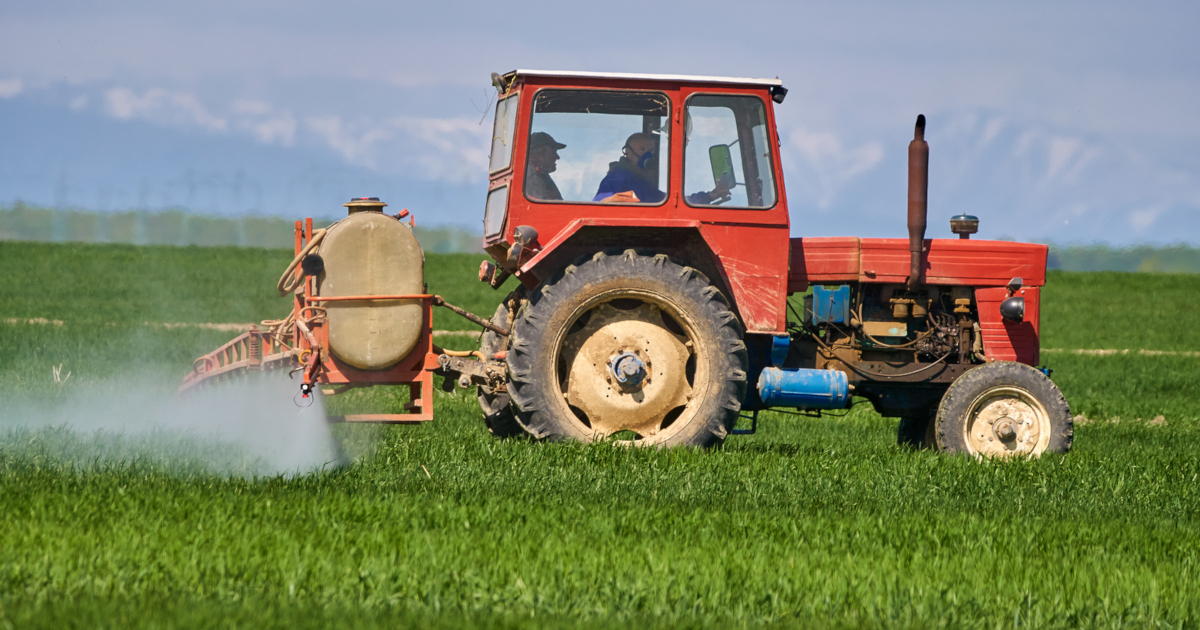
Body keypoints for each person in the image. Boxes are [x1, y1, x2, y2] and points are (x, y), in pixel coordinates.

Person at [593, 132, 729, 204]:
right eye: (642, 149)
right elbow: (602, 204)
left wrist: (708, 196)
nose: (647, 154)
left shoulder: (643, 182)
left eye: (650, 150)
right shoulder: (617, 177)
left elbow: (672, 202)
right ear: (628, 152)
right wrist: (631, 199)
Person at [525, 132, 565, 201]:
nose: (557, 157)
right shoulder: (530, 173)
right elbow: (543, 207)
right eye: (554, 152)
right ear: (542, 152)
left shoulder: (542, 175)